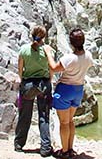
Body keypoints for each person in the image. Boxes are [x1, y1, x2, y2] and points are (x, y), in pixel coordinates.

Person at [43, 29, 93, 159]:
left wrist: (48, 53)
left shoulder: (69, 58)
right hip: (78, 90)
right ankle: (70, 149)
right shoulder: (88, 56)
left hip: (65, 89)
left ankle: (64, 152)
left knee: (64, 123)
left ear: (71, 43)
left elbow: (54, 68)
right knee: (70, 121)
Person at [14, 25, 53, 157]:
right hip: (43, 84)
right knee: (44, 116)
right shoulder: (47, 50)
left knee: (25, 115)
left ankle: (19, 144)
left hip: (27, 84)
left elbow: (20, 69)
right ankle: (45, 148)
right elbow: (51, 68)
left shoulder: (24, 49)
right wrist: (50, 81)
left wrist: (22, 80)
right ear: (44, 37)